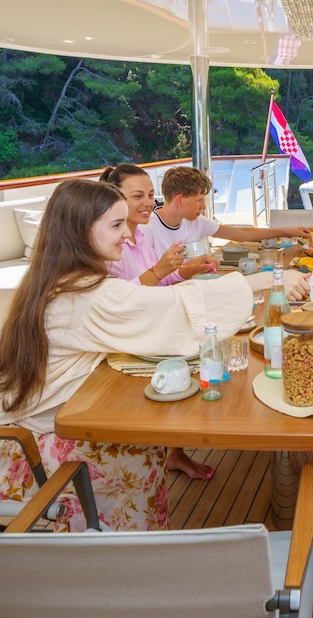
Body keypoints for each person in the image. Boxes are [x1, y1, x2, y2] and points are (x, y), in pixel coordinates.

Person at [0, 179, 255, 532]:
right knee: (137, 457)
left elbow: (146, 307)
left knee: (142, 449)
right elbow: (171, 310)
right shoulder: (84, 295)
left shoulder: (58, 279)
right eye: (116, 225)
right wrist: (263, 284)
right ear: (80, 231)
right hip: (3, 454)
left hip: (7, 437)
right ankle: (110, 560)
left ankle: (123, 551)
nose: (128, 234)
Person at [97, 163, 219, 480]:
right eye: (137, 195)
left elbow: (160, 283)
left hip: (153, 323)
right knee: (208, 351)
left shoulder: (142, 237)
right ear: (114, 199)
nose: (148, 202)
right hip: (131, 337)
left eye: (151, 194)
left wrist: (187, 270)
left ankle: (174, 452)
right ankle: (168, 447)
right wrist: (162, 270)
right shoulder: (110, 246)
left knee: (216, 339)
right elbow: (120, 302)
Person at [140, 167, 311, 258]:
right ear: (179, 200)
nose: (203, 207)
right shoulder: (147, 229)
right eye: (199, 200)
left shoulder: (195, 221)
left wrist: (288, 231)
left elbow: (240, 233)